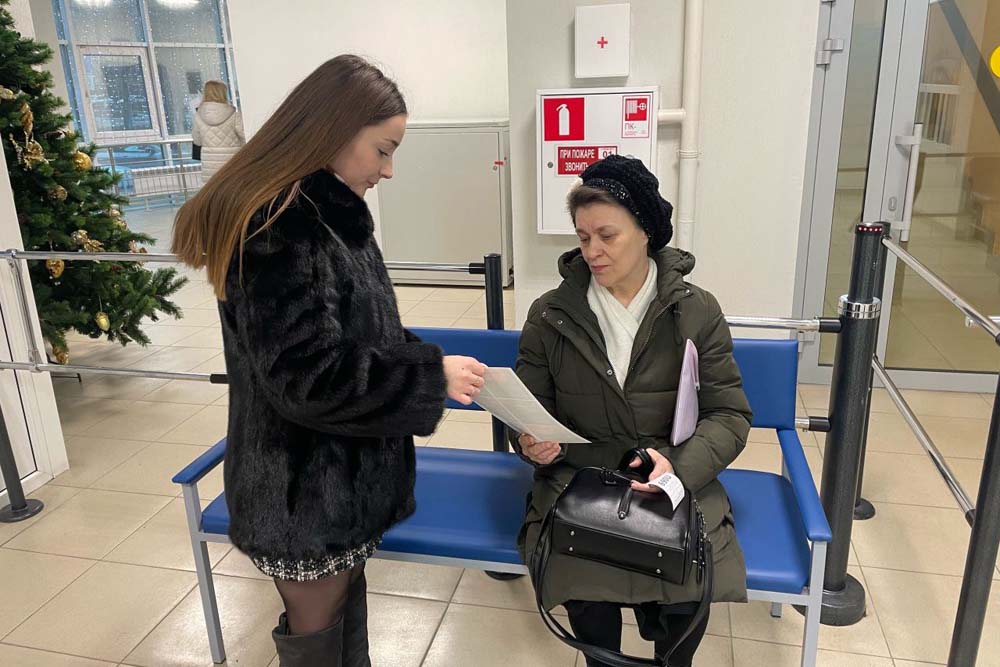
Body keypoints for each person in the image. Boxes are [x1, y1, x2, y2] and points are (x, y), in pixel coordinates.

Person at [171, 55, 487, 667]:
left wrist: (424, 361)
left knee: (341, 624)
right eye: (383, 151)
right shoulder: (281, 227)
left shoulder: (325, 216)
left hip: (335, 483)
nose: (388, 170)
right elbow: (308, 379)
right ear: (333, 131)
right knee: (318, 639)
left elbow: (355, 330)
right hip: (303, 493)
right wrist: (427, 377)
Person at [512, 155, 752, 667]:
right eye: (583, 237)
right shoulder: (551, 314)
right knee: (584, 585)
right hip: (581, 478)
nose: (592, 251)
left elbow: (729, 414)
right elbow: (529, 409)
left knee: (686, 587)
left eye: (607, 235)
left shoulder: (695, 310)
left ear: (646, 232)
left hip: (670, 476)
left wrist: (678, 467)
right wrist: (531, 442)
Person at [191, 79, 245, 182]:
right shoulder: (234, 115)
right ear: (223, 93)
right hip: (232, 161)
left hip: (210, 164)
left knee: (215, 189)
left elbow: (197, 141)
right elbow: (244, 136)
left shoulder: (198, 115)